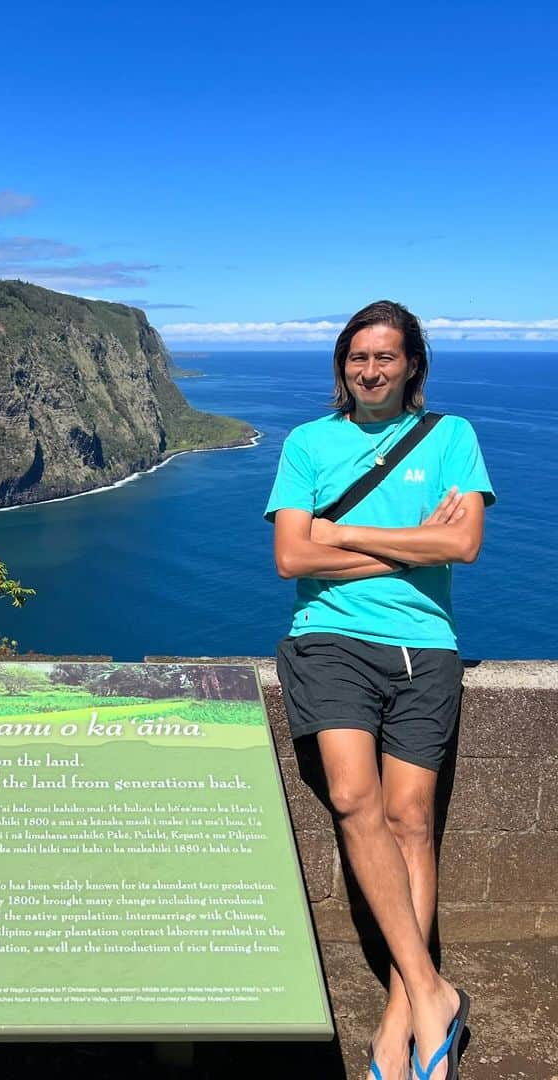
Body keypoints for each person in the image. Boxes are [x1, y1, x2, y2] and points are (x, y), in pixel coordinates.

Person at [265, 301, 494, 1080]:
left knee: (411, 819)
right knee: (357, 800)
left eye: (385, 358)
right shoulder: (308, 443)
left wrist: (342, 533)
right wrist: (412, 548)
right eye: (358, 358)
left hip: (426, 648)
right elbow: (291, 560)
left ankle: (407, 1015)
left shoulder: (453, 436)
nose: (370, 371)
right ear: (342, 367)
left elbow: (463, 542)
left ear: (412, 365)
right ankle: (434, 994)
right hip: (330, 642)